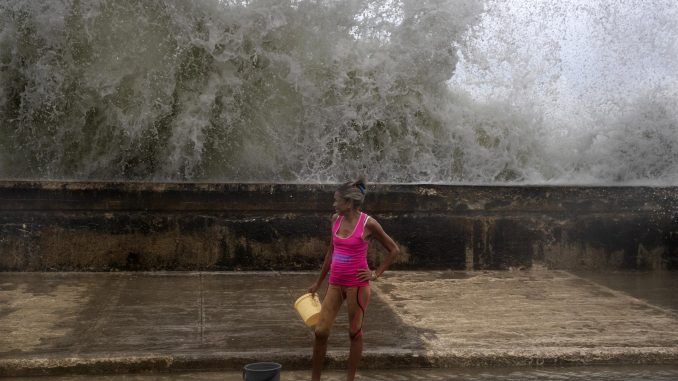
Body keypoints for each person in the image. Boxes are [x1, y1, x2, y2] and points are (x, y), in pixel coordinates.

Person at [308, 176, 400, 381]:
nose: (333, 204)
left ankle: (350, 378)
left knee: (354, 332)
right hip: (335, 283)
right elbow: (330, 253)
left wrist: (375, 273)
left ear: (348, 203)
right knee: (321, 332)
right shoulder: (335, 220)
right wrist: (318, 283)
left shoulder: (369, 223)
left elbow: (394, 250)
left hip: (356, 286)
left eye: (336, 200)